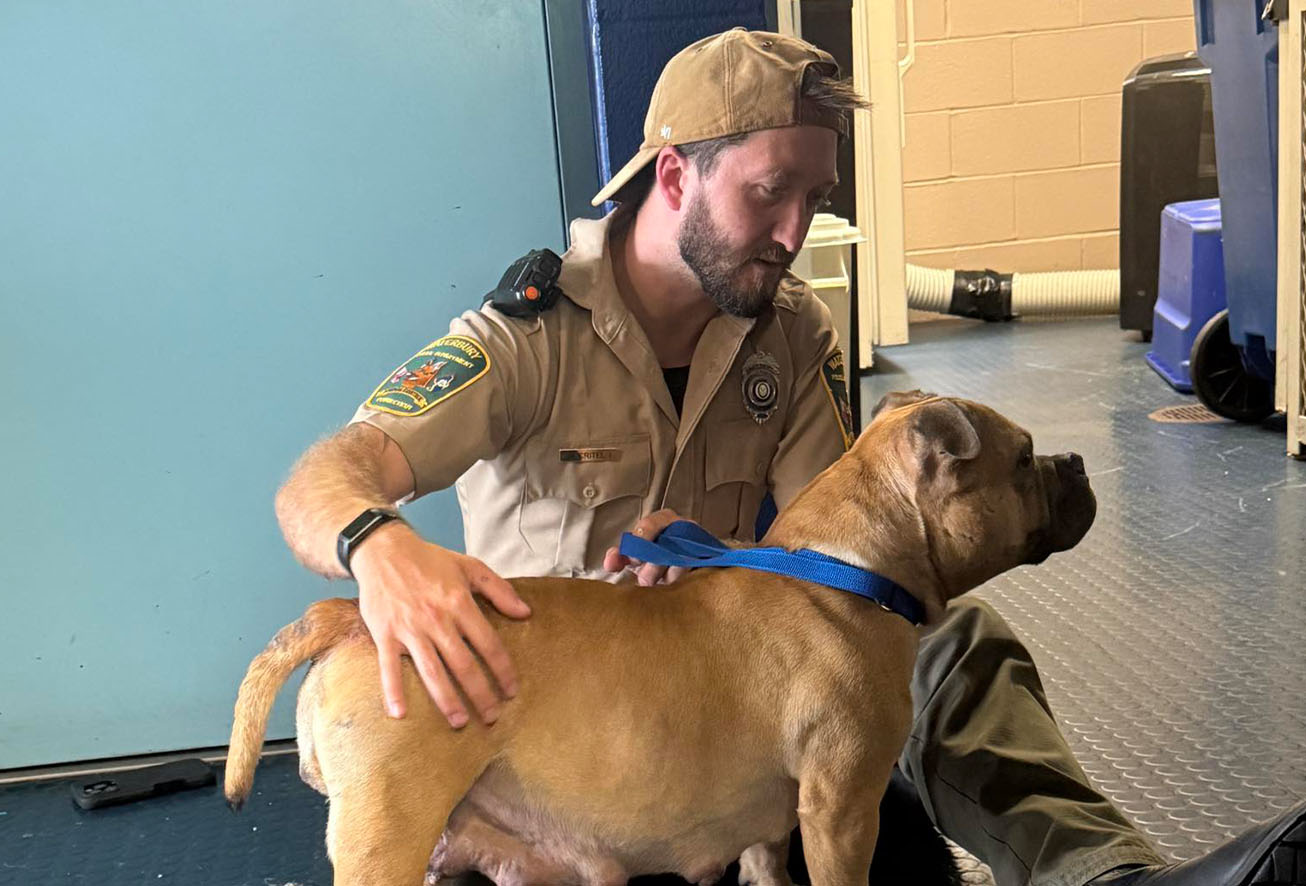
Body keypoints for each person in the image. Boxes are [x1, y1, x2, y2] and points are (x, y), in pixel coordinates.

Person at [273, 28, 1306, 886]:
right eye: (770, 193)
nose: (794, 230)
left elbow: (846, 545)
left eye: (813, 201)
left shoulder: (789, 329)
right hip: (581, 741)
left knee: (951, 639)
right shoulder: (520, 339)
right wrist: (378, 547)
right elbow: (325, 476)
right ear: (675, 174)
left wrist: (721, 556)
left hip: (740, 707)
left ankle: (1106, 876)